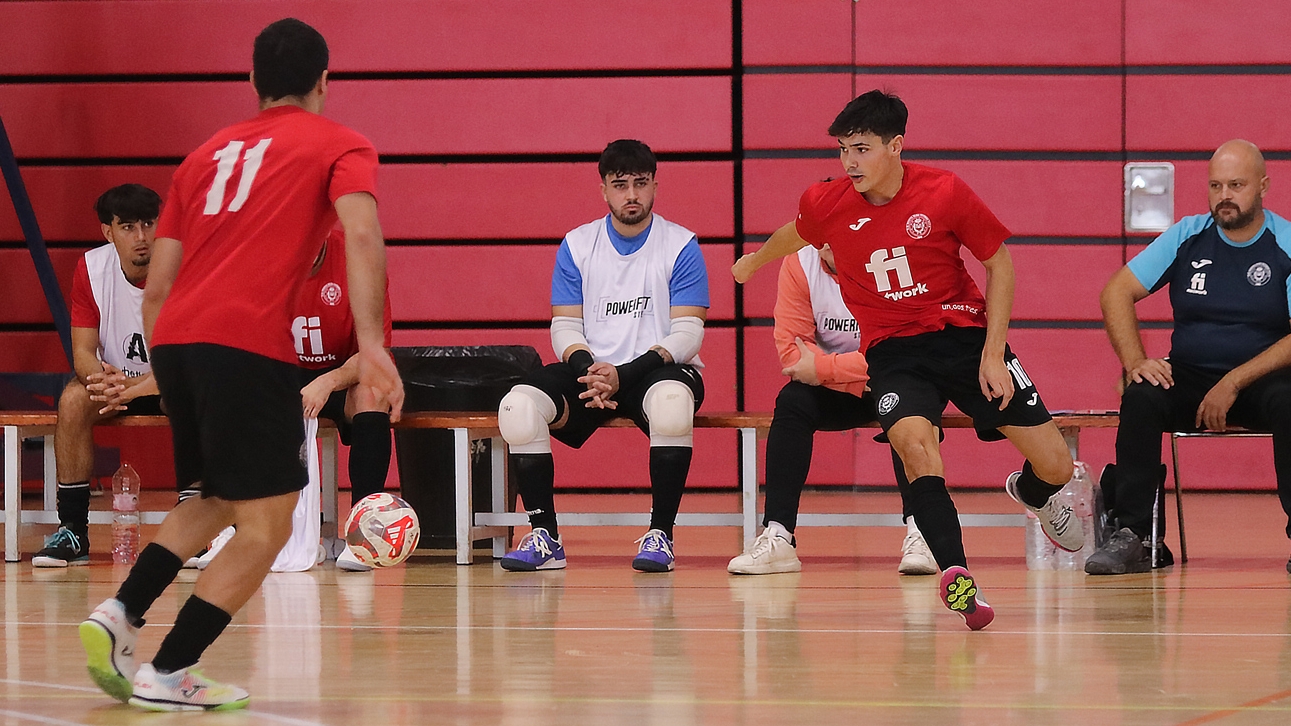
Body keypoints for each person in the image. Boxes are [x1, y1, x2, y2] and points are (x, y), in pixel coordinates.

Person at [78, 18, 403, 711]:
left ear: (253, 82)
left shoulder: (203, 157)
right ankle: (168, 671)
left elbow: (158, 285)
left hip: (178, 341)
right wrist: (371, 343)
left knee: (219, 497)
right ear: (324, 81)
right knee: (269, 524)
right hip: (245, 342)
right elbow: (362, 229)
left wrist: (170, 360)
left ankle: (119, 615)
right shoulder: (340, 142)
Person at [731, 90, 1080, 630]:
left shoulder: (944, 191)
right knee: (915, 446)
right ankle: (958, 575)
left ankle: (1032, 493)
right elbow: (796, 232)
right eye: (844, 150)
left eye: (863, 149)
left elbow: (1001, 266)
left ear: (896, 146)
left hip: (964, 339)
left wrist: (992, 352)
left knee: (1056, 463)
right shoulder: (829, 202)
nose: (850, 163)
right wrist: (754, 262)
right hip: (894, 353)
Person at [497, 139, 709, 573]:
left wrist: (625, 374)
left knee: (672, 407)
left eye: (640, 183)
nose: (631, 194)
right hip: (592, 371)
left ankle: (661, 536)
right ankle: (545, 536)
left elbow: (689, 332)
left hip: (658, 370)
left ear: (654, 186)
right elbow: (565, 326)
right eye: (620, 185)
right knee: (517, 407)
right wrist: (588, 371)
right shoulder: (577, 245)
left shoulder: (680, 244)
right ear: (603, 190)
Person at [1089, 139, 1291, 575]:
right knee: (1142, 394)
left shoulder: (1286, 243)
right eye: (1216, 185)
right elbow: (1116, 292)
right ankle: (1135, 536)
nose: (1224, 196)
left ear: (1263, 186)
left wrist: (1233, 382)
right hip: (1192, 376)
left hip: (1265, 380)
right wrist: (1135, 361)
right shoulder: (1187, 235)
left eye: (1236, 185)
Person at [726, 242, 937, 576]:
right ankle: (779, 535)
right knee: (792, 401)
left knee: (905, 403)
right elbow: (793, 354)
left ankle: (923, 531)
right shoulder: (800, 264)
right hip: (845, 385)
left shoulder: (891, 257)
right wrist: (854, 375)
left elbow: (902, 351)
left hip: (899, 377)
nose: (828, 240)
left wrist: (826, 369)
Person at [33, 184, 165, 567]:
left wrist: (133, 386)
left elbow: (186, 360)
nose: (141, 237)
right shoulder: (91, 268)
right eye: (128, 227)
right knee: (73, 399)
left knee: (195, 394)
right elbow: (82, 352)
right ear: (108, 231)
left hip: (167, 380)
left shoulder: (178, 265)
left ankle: (202, 532)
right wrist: (104, 382)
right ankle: (73, 530)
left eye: (148, 224)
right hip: (114, 386)